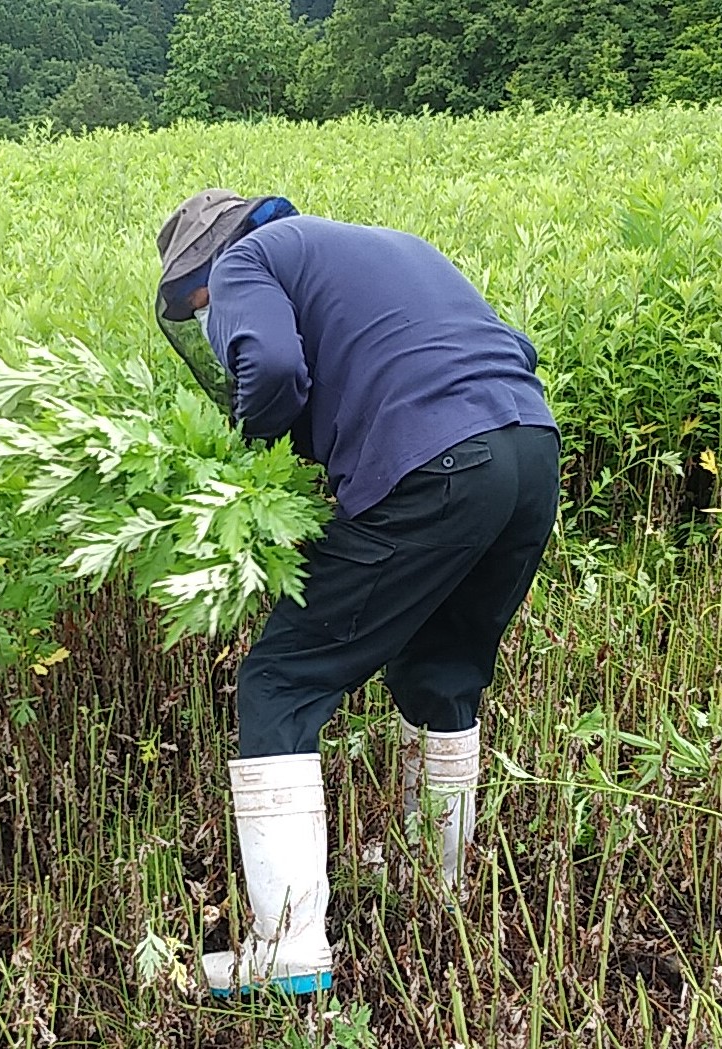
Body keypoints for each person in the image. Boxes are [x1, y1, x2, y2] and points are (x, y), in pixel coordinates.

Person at [154, 189, 560, 998]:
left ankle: (288, 945)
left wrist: (254, 452)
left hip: (438, 467)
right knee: (439, 672)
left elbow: (268, 366)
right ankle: (434, 886)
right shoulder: (386, 243)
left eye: (198, 307)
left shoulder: (246, 260)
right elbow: (511, 346)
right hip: (530, 452)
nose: (208, 321)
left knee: (281, 677)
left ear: (206, 268)